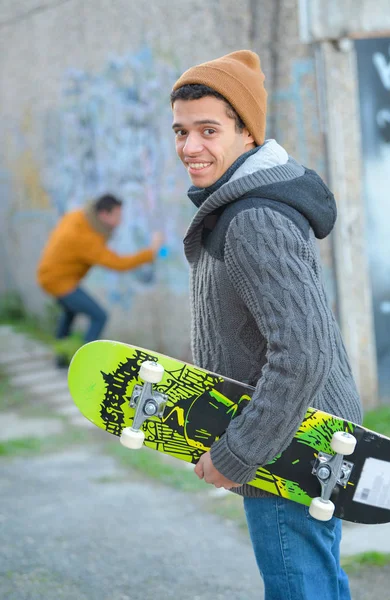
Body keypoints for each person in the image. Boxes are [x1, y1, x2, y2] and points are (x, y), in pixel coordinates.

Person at [170, 50, 362, 599]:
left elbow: (301, 353)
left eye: (208, 130)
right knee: (316, 582)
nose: (190, 147)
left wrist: (239, 454)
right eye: (181, 131)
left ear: (248, 133)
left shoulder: (254, 217)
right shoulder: (245, 204)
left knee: (300, 588)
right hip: (299, 437)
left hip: (290, 447)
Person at [37, 194, 162, 365]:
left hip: (49, 275)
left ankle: (60, 358)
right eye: (117, 216)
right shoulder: (87, 239)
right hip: (58, 282)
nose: (120, 221)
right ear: (103, 215)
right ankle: (82, 363)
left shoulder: (79, 216)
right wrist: (151, 252)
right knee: (99, 316)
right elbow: (118, 264)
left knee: (69, 313)